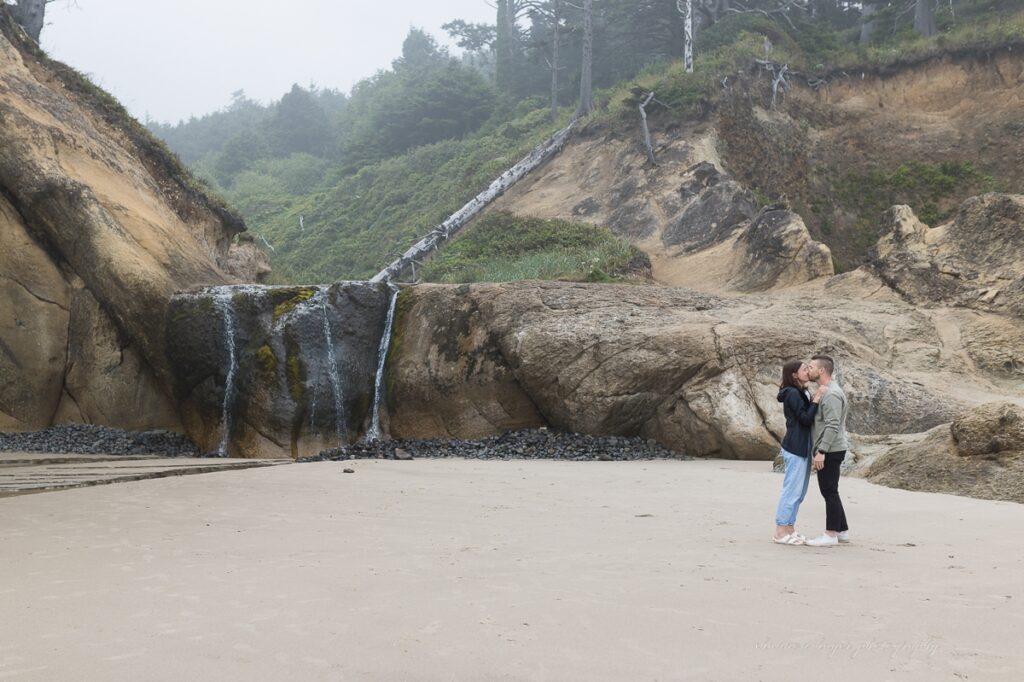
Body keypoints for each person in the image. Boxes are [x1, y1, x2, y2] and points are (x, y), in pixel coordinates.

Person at [773, 360, 825, 545]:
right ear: (794, 375)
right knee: (792, 491)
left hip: (803, 447)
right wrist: (817, 399)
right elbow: (805, 419)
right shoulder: (793, 393)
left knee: (799, 492)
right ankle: (780, 531)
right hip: (795, 447)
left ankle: (790, 528)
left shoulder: (801, 391)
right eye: (804, 369)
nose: (807, 372)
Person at [805, 355, 851, 547]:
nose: (808, 370)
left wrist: (821, 451)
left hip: (830, 449)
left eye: (811, 367)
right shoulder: (828, 390)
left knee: (829, 491)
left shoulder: (831, 394)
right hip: (832, 448)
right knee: (831, 490)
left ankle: (830, 534)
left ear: (822, 370)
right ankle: (842, 531)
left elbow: (832, 425)